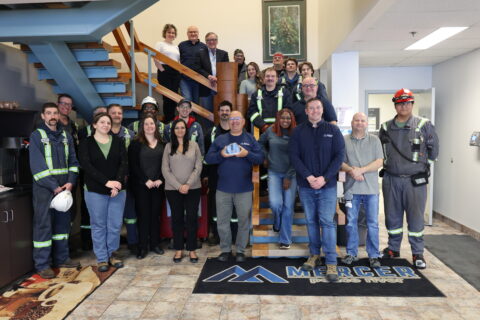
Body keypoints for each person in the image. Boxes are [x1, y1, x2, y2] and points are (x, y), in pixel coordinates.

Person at [379, 88, 439, 269]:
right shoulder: (385, 127)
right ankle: (393, 248)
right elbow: (380, 152)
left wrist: (420, 168)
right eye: (400, 103)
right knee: (392, 217)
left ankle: (417, 253)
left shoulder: (424, 124)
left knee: (415, 218)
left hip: (414, 182)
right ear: (395, 105)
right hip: (391, 179)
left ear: (412, 104)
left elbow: (433, 151)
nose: (404, 106)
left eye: (407, 102)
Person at [289, 98, 344, 282]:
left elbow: (339, 157)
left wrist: (324, 178)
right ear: (306, 111)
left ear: (322, 110)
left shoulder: (333, 130)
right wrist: (309, 177)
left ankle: (331, 262)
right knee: (311, 222)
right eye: (311, 108)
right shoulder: (298, 132)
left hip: (327, 186)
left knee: (327, 223)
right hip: (306, 185)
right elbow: (294, 157)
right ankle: (314, 255)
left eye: (318, 107)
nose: (315, 110)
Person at [29, 102, 80, 279]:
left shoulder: (66, 136)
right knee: (43, 225)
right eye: (48, 113)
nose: (52, 116)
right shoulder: (37, 136)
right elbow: (38, 167)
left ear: (59, 116)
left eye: (55, 113)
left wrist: (70, 183)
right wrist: (54, 186)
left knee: (62, 225)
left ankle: (62, 258)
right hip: (44, 189)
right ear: (43, 116)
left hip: (64, 188)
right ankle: (43, 265)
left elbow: (73, 162)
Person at [205, 111, 264, 262]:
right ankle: (225, 250)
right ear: (229, 122)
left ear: (243, 122)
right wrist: (221, 155)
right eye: (232, 119)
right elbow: (208, 158)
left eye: (238, 119)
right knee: (222, 221)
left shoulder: (250, 139)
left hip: (244, 189)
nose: (235, 121)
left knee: (244, 221)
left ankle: (240, 251)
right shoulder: (220, 139)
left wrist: (246, 154)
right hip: (223, 188)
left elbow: (260, 158)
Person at [79, 113, 128, 272]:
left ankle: (112, 253)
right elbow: (86, 165)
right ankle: (101, 258)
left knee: (114, 225)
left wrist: (117, 184)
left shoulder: (118, 141)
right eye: (102, 122)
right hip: (95, 190)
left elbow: (124, 163)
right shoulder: (86, 143)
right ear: (94, 125)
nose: (106, 125)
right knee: (99, 225)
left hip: (117, 190)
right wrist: (107, 183)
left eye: (108, 122)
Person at [341, 112, 383, 268]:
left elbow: (379, 161)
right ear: (352, 123)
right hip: (351, 191)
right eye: (357, 120)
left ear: (367, 124)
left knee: (372, 224)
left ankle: (373, 255)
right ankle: (351, 253)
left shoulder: (375, 140)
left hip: (371, 190)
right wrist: (352, 171)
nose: (359, 123)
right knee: (351, 223)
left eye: (362, 120)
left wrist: (362, 170)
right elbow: (339, 161)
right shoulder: (344, 141)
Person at [162, 119, 203, 263]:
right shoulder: (168, 147)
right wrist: (179, 186)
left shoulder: (194, 145)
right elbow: (165, 169)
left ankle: (191, 249)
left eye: (182, 127)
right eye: (177, 128)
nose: (180, 130)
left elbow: (198, 167)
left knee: (192, 218)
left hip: (193, 188)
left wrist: (187, 184)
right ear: (173, 130)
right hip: (173, 189)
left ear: (186, 130)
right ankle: (178, 249)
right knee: (177, 219)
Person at [259, 109, 297, 249]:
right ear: (278, 119)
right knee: (276, 204)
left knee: (288, 207)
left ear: (291, 119)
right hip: (274, 172)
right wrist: (265, 156)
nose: (285, 121)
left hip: (291, 174)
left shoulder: (296, 133)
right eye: (282, 118)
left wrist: (288, 176)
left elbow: (298, 156)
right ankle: (277, 221)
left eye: (288, 118)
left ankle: (285, 239)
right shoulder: (271, 130)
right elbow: (260, 143)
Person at [129, 115, 165, 259]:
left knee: (155, 216)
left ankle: (155, 244)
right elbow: (133, 165)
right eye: (146, 124)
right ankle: (143, 247)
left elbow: (166, 164)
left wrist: (160, 179)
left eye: (152, 124)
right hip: (141, 186)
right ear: (142, 127)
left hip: (158, 186)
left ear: (155, 126)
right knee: (143, 216)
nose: (149, 126)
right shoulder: (135, 144)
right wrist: (146, 180)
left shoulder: (163, 143)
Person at [203, 100, 237, 245]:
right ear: (218, 113)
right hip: (215, 176)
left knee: (233, 208)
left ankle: (234, 235)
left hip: (234, 177)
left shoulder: (237, 132)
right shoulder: (210, 133)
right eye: (222, 110)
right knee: (216, 208)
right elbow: (205, 156)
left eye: (227, 110)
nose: (224, 113)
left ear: (231, 113)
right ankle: (216, 235)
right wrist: (204, 175)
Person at [108, 104, 138, 254]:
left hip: (128, 180)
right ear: (108, 114)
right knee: (111, 216)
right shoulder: (102, 133)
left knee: (130, 213)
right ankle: (113, 246)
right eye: (113, 113)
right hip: (109, 181)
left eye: (119, 113)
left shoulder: (130, 134)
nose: (117, 115)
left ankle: (133, 242)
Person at [77, 105, 107, 251]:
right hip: (89, 180)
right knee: (88, 213)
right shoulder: (84, 134)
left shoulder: (112, 137)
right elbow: (84, 161)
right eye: (98, 115)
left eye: (104, 115)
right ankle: (86, 241)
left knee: (104, 217)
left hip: (109, 183)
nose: (102, 118)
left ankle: (106, 246)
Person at [194, 32, 229, 114]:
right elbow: (197, 68)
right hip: (205, 87)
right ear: (206, 42)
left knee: (220, 111)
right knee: (206, 113)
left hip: (220, 87)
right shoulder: (200, 54)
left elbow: (226, 69)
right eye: (209, 40)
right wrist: (208, 76)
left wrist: (217, 78)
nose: (211, 42)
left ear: (217, 41)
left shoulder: (224, 54)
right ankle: (207, 127)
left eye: (213, 40)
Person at [248, 67, 291, 133]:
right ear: (264, 79)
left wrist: (278, 125)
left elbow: (288, 111)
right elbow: (252, 113)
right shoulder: (256, 95)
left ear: (277, 79)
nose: (270, 78)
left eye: (273, 76)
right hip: (261, 131)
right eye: (267, 76)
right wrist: (263, 126)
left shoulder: (285, 93)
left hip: (280, 130)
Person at [154, 24, 181, 123]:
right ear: (165, 33)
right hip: (164, 71)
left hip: (175, 72)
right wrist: (162, 70)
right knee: (167, 97)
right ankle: (167, 120)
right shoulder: (160, 44)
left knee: (174, 97)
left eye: (173, 32)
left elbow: (178, 61)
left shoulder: (176, 47)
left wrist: (179, 72)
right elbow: (155, 58)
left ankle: (173, 119)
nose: (171, 34)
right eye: (169, 32)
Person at [178, 26, 207, 104]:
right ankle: (188, 116)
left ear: (198, 33)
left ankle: (194, 116)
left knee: (196, 102)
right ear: (187, 34)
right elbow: (177, 59)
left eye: (195, 32)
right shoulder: (181, 45)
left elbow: (206, 63)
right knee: (187, 100)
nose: (193, 33)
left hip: (198, 80)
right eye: (191, 32)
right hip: (184, 79)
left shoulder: (204, 46)